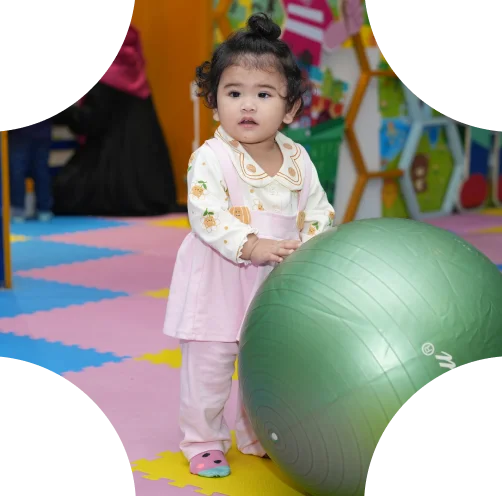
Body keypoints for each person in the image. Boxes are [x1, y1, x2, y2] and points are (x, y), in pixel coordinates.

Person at [163, 13, 336, 479]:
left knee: (266, 365)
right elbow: (207, 214)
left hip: (274, 285)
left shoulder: (298, 158)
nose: (247, 105)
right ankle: (203, 441)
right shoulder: (211, 157)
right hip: (218, 283)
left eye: (263, 95)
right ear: (214, 103)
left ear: (290, 108)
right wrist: (251, 243)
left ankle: (257, 431)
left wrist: (311, 248)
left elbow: (318, 210)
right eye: (233, 92)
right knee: (209, 371)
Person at [53, 24, 181, 217]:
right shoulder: (135, 72)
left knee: (63, 192)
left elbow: (89, 123)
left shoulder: (107, 77)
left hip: (112, 173)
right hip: (150, 184)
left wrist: (63, 111)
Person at [8, 119, 54, 223]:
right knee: (40, 171)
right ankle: (43, 209)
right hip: (41, 130)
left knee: (18, 171)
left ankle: (19, 210)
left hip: (21, 132)